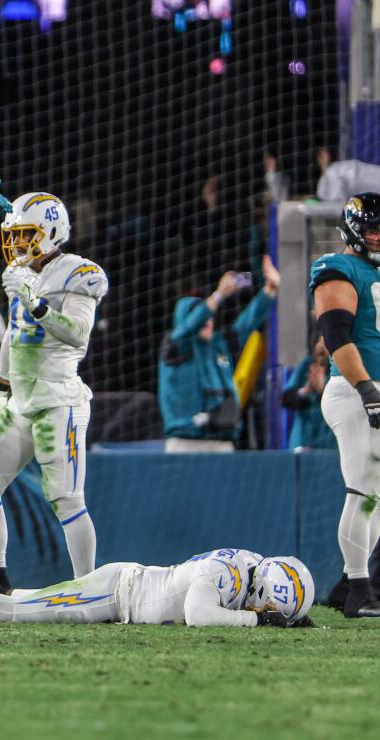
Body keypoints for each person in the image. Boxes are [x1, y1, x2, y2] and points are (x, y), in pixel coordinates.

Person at [0, 193, 108, 595]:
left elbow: (77, 335)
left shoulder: (77, 273)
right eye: (11, 236)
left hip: (58, 399)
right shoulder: (21, 272)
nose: (16, 245)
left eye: (25, 235)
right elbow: (13, 335)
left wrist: (35, 302)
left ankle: (87, 586)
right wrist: (0, 388)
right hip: (21, 401)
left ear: (51, 232)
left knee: (65, 497)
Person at [0, 550, 314, 629]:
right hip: (116, 595)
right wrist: (255, 620)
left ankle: (7, 590)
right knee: (11, 615)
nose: (267, 611)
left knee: (22, 603)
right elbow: (201, 615)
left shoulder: (250, 569)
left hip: (126, 586)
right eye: (270, 605)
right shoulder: (226, 574)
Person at [309, 192, 380, 618]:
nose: (379, 238)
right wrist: (367, 389)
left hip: (373, 388)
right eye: (373, 230)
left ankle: (350, 583)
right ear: (355, 231)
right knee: (363, 488)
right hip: (354, 390)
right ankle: (357, 591)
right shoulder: (337, 267)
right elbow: (337, 336)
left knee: (376, 495)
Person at [159, 258, 280, 451]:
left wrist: (270, 290)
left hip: (222, 442)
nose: (208, 319)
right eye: (200, 314)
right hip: (186, 444)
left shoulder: (219, 345)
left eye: (209, 316)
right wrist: (219, 295)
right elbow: (190, 326)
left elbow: (248, 322)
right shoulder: (176, 346)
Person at [281, 337, 335, 450]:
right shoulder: (306, 366)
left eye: (325, 343)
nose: (321, 346)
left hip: (329, 444)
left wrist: (322, 390)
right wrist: (306, 390)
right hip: (302, 440)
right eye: (319, 342)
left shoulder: (339, 370)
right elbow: (286, 400)